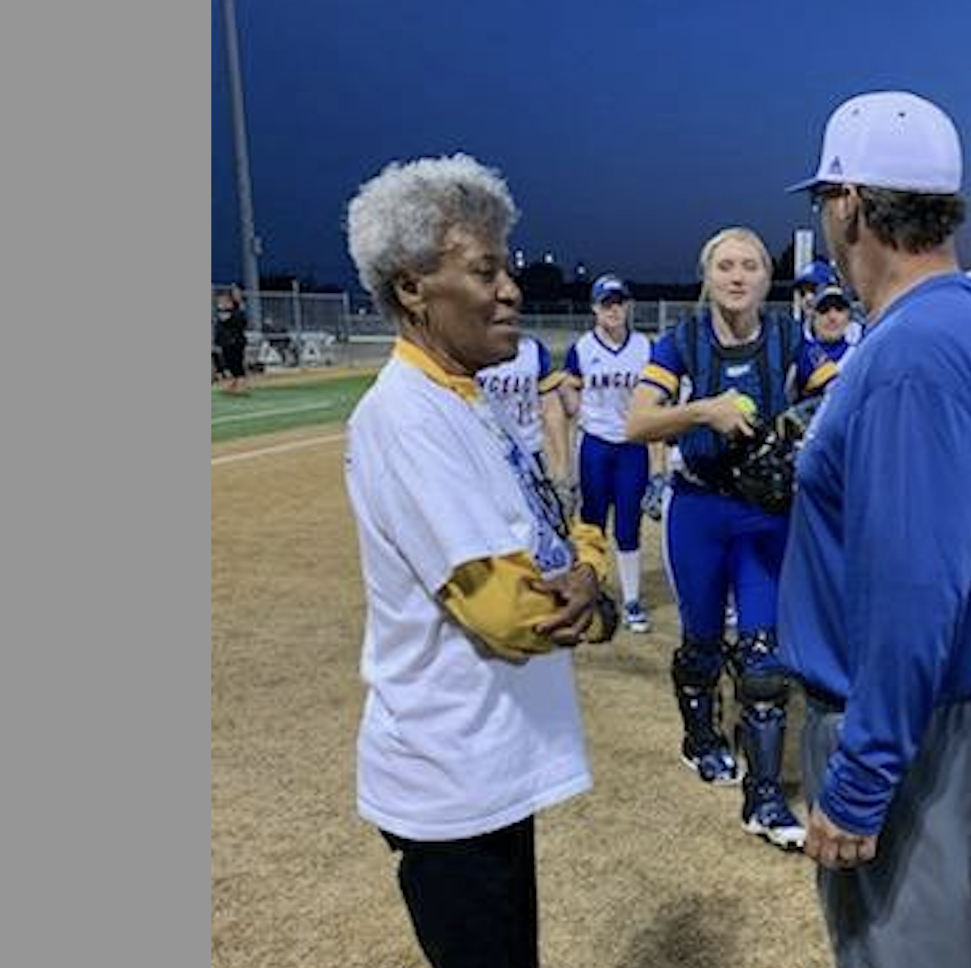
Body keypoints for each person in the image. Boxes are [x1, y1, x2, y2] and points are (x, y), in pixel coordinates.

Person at [341, 152, 616, 968]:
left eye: (508, 268)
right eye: (484, 271)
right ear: (411, 288)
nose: (510, 290)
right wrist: (590, 573)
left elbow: (555, 542)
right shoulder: (407, 417)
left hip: (487, 764)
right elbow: (515, 613)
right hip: (448, 774)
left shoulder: (467, 399)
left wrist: (584, 565)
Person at [780, 91, 971, 968]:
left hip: (902, 723)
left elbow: (917, 586)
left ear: (850, 203)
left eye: (824, 200)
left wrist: (864, 772)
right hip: (940, 710)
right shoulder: (960, 318)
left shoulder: (914, 347)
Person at [624, 226, 838, 851]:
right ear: (707, 276)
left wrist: (795, 427)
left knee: (764, 658)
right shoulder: (681, 342)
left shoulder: (789, 338)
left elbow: (838, 396)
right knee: (703, 645)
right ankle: (701, 737)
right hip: (699, 510)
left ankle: (764, 797)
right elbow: (636, 422)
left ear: (767, 279)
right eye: (725, 265)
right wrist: (702, 411)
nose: (738, 276)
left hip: (765, 514)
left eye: (750, 265)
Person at [561, 273, 663, 633]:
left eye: (619, 302)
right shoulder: (582, 348)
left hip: (631, 445)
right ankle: (592, 593)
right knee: (592, 523)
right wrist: (578, 409)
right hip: (596, 445)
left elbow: (657, 400)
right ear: (594, 308)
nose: (614, 310)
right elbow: (569, 388)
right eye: (606, 304)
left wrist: (658, 466)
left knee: (628, 524)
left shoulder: (644, 347)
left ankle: (632, 599)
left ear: (628, 306)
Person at [475, 332, 572, 488]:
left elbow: (550, 406)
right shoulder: (466, 348)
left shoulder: (533, 349)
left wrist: (562, 463)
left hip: (528, 453)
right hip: (481, 454)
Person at [806, 283, 864, 370]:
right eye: (824, 309)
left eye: (839, 309)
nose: (832, 317)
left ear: (849, 316)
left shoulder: (863, 350)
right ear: (814, 317)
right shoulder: (800, 353)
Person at [214, 287, 251, 395]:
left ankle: (242, 386)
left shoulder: (237, 312)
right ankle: (234, 385)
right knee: (229, 364)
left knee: (237, 364)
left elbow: (239, 323)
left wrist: (230, 307)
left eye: (224, 301)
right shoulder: (225, 312)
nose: (221, 303)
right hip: (226, 342)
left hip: (235, 341)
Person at [792, 258, 838, 326]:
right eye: (802, 293)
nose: (808, 297)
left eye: (814, 290)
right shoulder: (795, 330)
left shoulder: (851, 330)